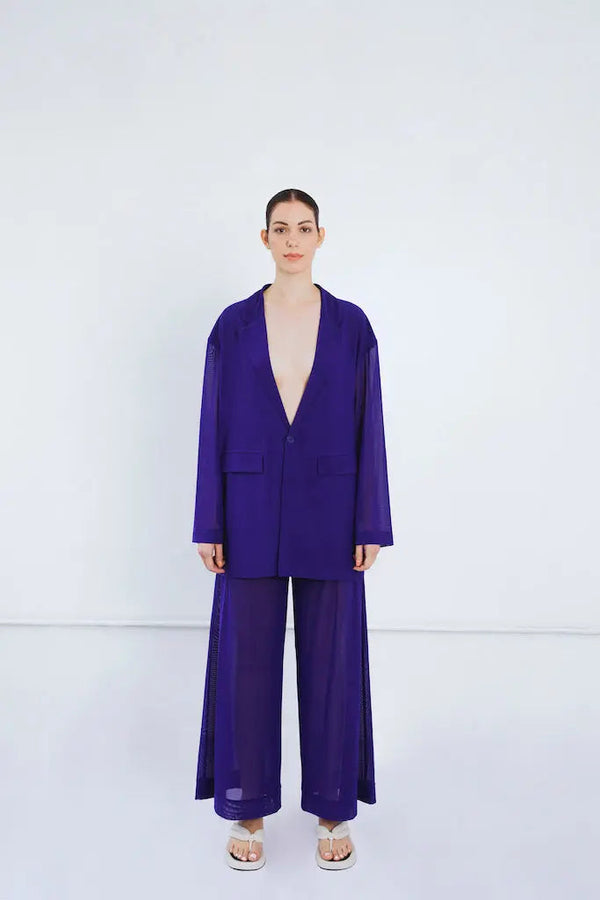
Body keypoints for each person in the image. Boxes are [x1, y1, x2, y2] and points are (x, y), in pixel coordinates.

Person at [192, 188, 394, 870]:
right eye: (280, 228)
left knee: (333, 662)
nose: (292, 240)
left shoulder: (351, 325)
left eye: (303, 228)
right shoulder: (233, 325)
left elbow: (370, 424)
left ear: (320, 236)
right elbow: (212, 424)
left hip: (333, 510)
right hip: (246, 509)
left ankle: (333, 805)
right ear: (264, 238)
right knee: (245, 664)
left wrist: (371, 521)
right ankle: (247, 806)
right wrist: (209, 521)